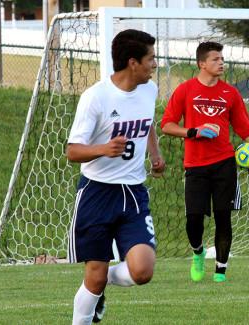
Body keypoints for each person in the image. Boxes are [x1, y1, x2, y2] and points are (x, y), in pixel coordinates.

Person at [66, 29, 165, 324]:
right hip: (97, 193)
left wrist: (155, 154)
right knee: (93, 279)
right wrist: (103, 149)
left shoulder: (149, 90)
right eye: (151, 58)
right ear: (133, 62)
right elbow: (72, 151)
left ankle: (101, 282)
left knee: (143, 271)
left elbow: (147, 125)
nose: (155, 64)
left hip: (134, 192)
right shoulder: (96, 97)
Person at [160, 41, 249, 283]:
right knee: (194, 221)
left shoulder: (230, 93)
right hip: (195, 166)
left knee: (223, 217)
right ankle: (198, 253)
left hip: (225, 164)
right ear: (201, 64)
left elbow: (246, 130)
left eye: (222, 59)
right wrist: (193, 132)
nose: (221, 63)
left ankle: (220, 272)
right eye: (215, 59)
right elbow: (167, 125)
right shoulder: (185, 90)